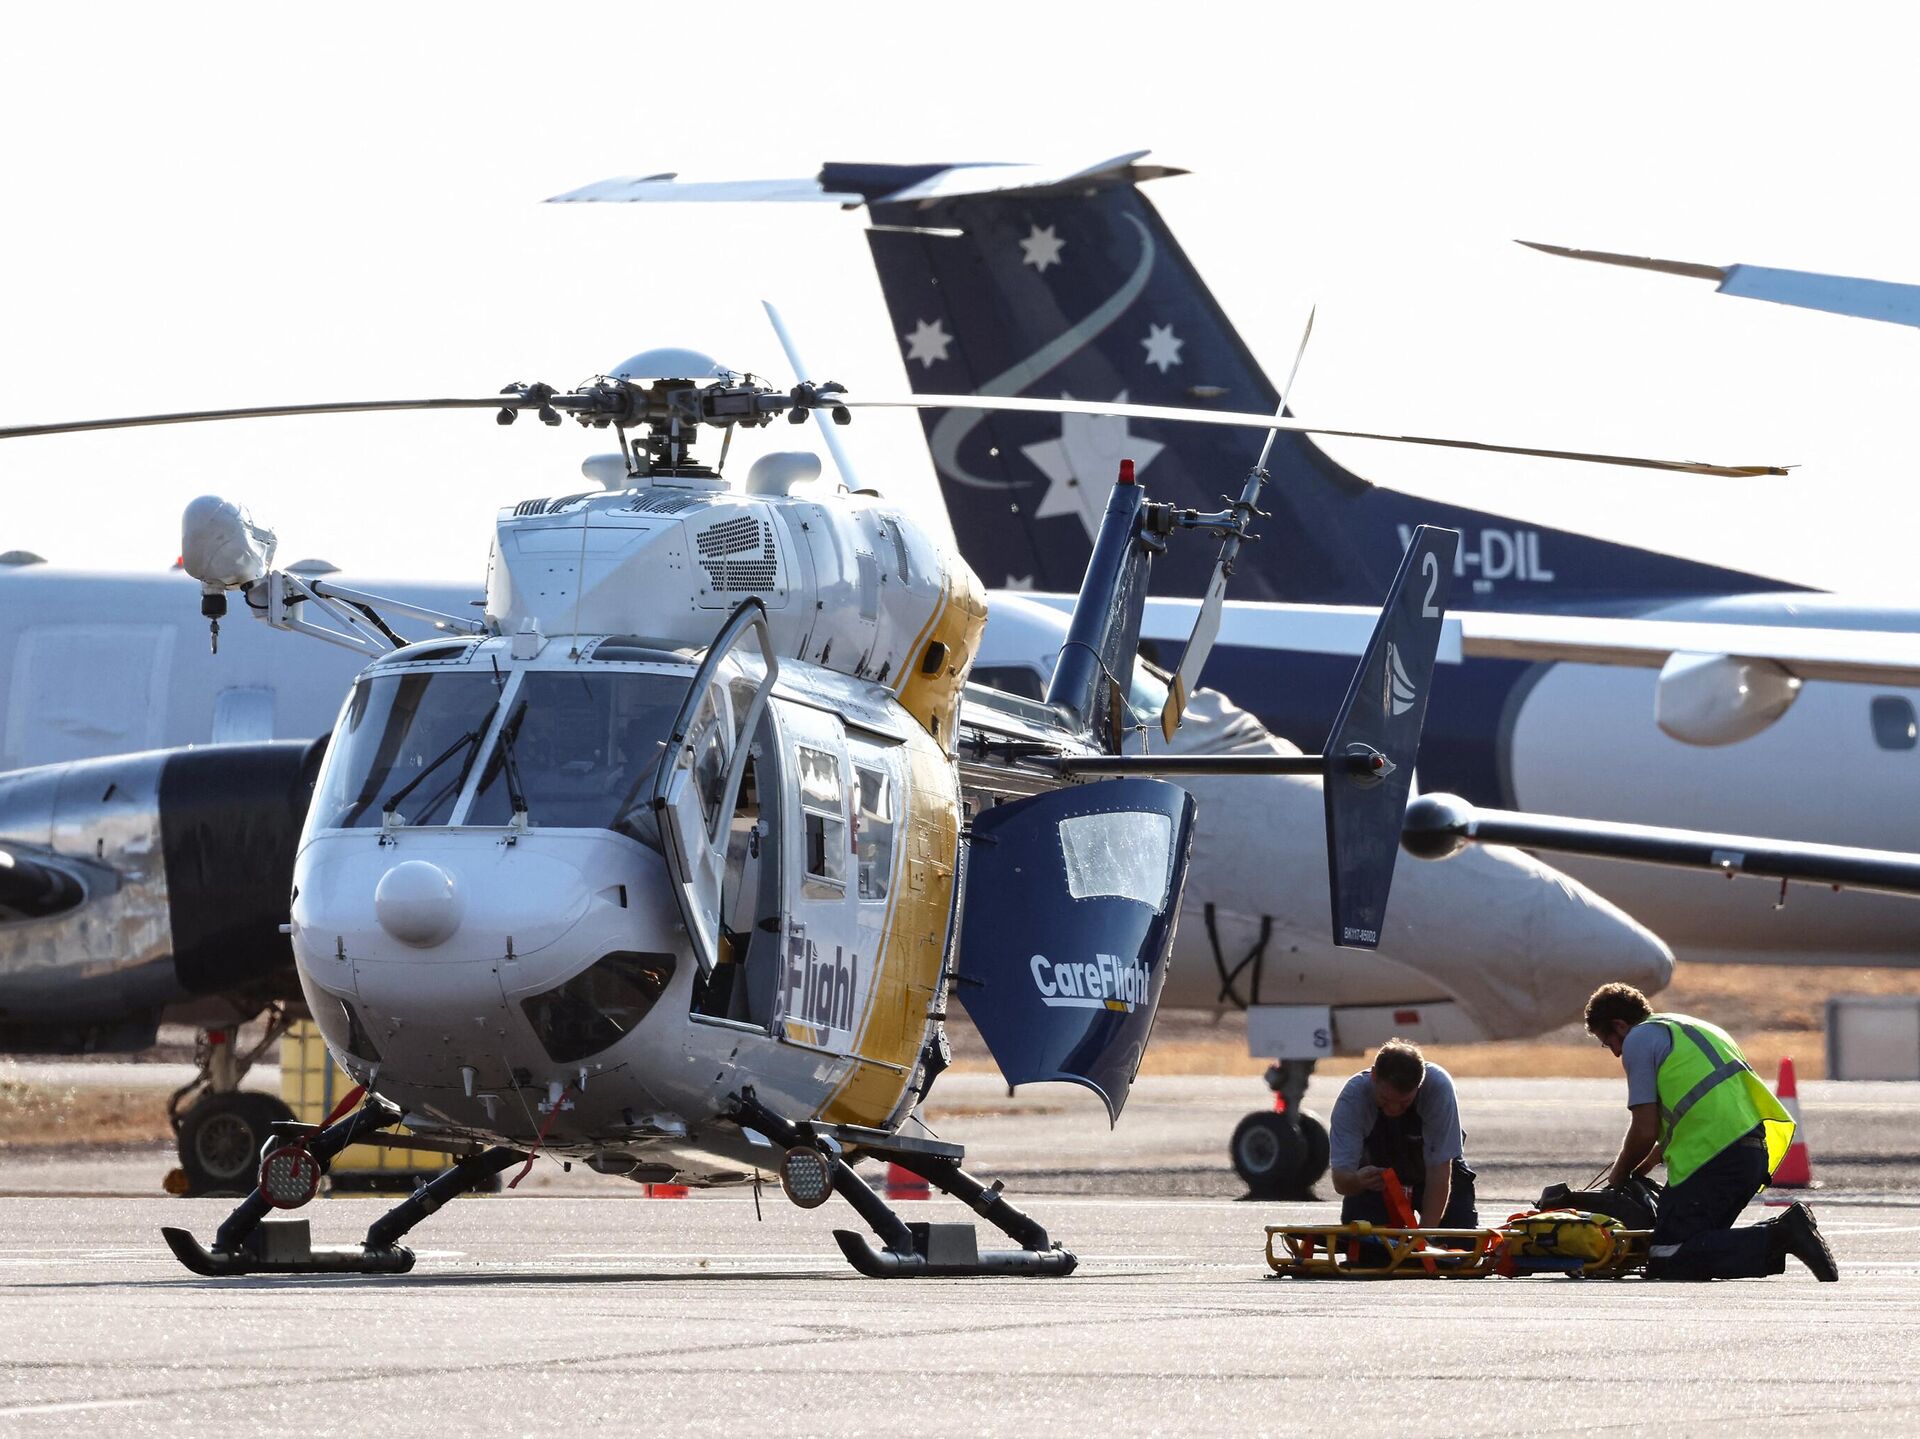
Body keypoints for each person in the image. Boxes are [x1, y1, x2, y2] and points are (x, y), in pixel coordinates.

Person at [1586, 982, 1838, 1282]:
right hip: (1750, 1156)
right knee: (1697, 1241)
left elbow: (1644, 1128)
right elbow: (1694, 1111)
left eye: (1608, 1042)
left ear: (1620, 1026)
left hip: (1713, 1159)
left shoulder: (1639, 1040)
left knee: (1667, 1255)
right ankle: (1783, 1233)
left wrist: (1618, 1176)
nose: (1615, 1053)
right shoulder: (1689, 1028)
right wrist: (1647, 1165)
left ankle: (1782, 1234)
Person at [1329, 1038, 1477, 1229]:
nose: (1392, 1110)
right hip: (1378, 1181)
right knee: (1368, 1248)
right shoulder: (1353, 1099)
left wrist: (1424, 1241)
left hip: (1433, 1173)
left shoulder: (1438, 1088)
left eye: (1404, 1102)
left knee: (1457, 1248)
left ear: (1420, 1085)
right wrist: (1356, 1181)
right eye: (1384, 1099)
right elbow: (1341, 1180)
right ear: (1374, 1075)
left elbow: (1439, 1171)